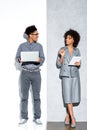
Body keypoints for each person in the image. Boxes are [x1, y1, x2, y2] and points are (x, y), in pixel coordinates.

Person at [15, 25, 45, 125]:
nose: (37, 35)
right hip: (25, 73)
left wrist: (40, 60)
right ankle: (24, 117)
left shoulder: (39, 46)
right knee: (24, 96)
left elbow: (43, 59)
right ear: (29, 35)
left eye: (38, 34)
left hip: (36, 73)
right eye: (35, 34)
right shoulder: (22, 46)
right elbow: (17, 58)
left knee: (37, 96)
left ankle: (37, 117)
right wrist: (19, 60)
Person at [56, 29, 81, 128]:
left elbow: (78, 63)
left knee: (73, 96)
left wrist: (79, 64)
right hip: (66, 75)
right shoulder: (62, 49)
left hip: (75, 75)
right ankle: (73, 117)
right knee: (67, 97)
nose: (67, 39)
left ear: (74, 40)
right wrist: (61, 57)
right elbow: (58, 64)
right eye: (66, 37)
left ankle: (67, 116)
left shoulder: (77, 50)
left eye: (69, 38)